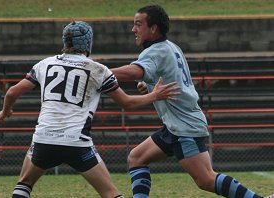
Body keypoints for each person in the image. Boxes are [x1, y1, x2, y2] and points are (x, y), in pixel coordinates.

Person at [0, 21, 180, 198]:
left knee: (24, 184)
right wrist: (154, 95)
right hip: (77, 142)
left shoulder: (45, 64)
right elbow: (128, 103)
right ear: (88, 43)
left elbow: (12, 92)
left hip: (44, 138)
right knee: (110, 193)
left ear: (64, 41)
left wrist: (5, 112)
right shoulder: (98, 70)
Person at [111, 4, 273, 198]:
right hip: (174, 126)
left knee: (206, 179)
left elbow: (135, 71)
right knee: (136, 157)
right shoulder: (171, 47)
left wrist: (99, 72)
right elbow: (170, 78)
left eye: (138, 24)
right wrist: (150, 86)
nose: (133, 29)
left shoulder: (156, 51)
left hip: (184, 127)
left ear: (153, 28)